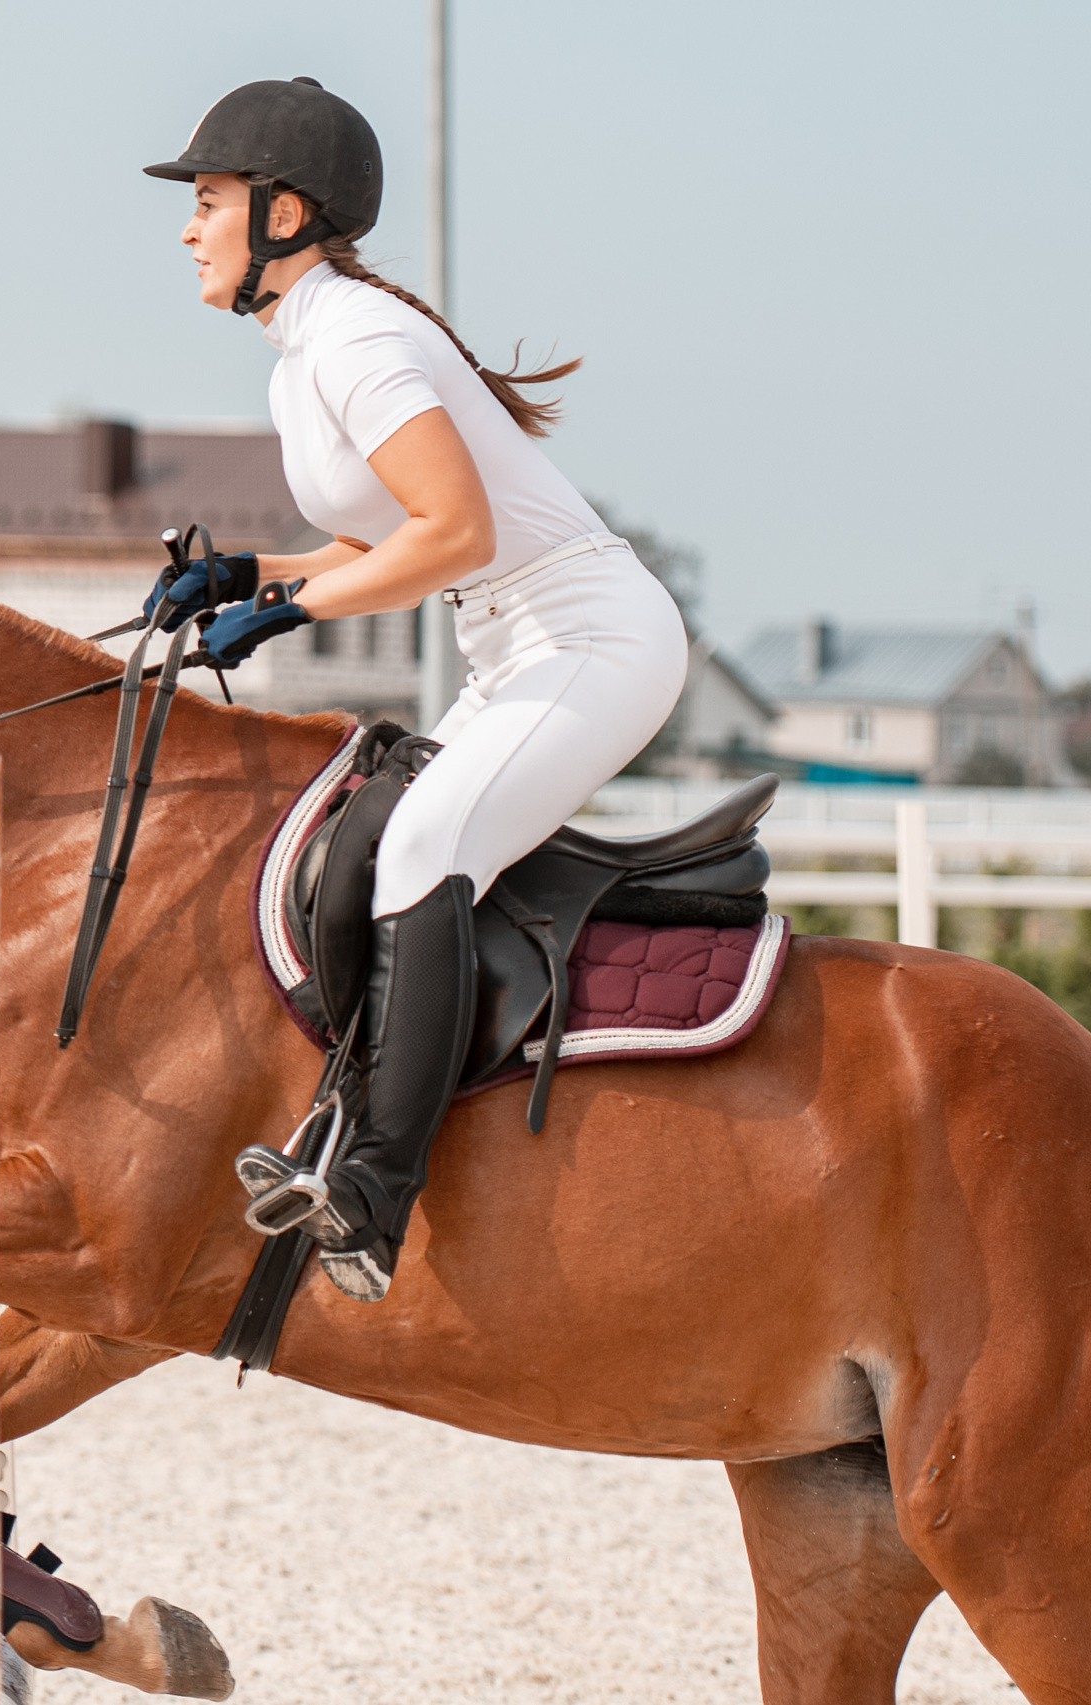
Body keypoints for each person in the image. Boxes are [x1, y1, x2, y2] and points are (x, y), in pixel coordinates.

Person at [142, 77, 688, 1300]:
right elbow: (377, 540)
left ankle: (376, 1190)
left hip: (591, 640)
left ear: (283, 215)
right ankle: (347, 1115)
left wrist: (287, 610)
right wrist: (253, 570)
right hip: (515, 650)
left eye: (211, 201)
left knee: (421, 849)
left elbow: (450, 531)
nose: (188, 226)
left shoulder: (361, 340)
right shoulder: (304, 354)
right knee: (360, 838)